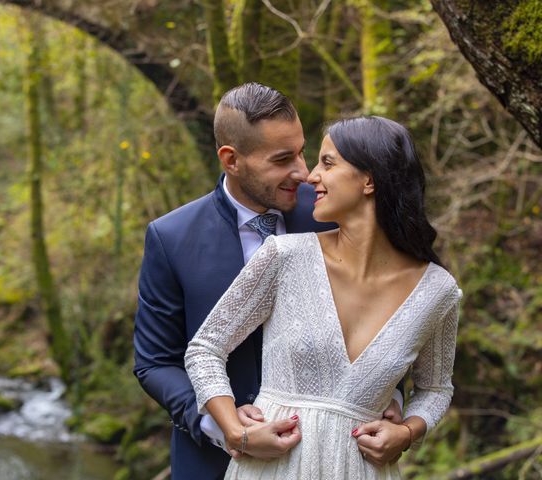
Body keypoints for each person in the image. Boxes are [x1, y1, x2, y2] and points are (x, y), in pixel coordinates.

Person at [134, 83, 404, 479]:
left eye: (301, 151)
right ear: (231, 159)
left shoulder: (335, 211)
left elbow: (389, 308)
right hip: (212, 464)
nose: (302, 171)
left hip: (335, 456)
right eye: (282, 159)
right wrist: (223, 425)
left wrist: (391, 396)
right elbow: (155, 362)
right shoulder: (172, 238)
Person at [185, 115, 462, 478]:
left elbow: (436, 388)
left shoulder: (438, 292)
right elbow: (205, 348)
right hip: (270, 469)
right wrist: (236, 432)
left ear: (369, 180)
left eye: (327, 163)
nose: (310, 175)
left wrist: (408, 432)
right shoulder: (284, 256)